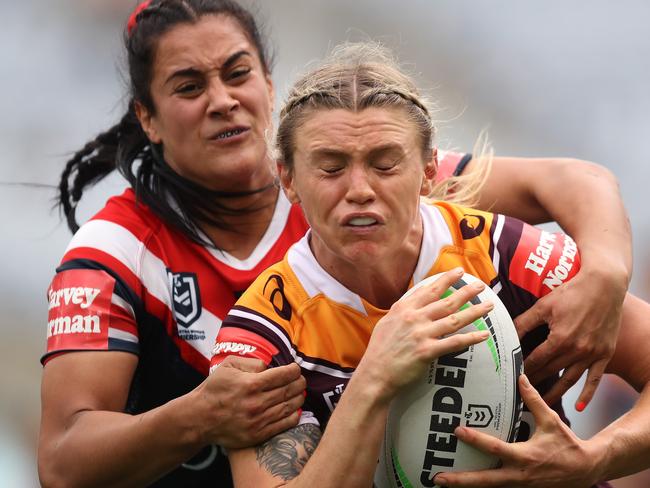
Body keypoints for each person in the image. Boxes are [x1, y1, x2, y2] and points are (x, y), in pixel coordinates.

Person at [38, 1, 632, 487]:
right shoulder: (116, 253)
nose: (222, 99)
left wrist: (604, 273)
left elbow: (576, 181)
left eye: (237, 73)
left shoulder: (380, 180)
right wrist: (198, 415)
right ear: (148, 116)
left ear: (268, 86)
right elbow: (63, 465)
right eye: (189, 85)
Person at [211, 42, 650, 488]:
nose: (360, 189)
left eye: (385, 164)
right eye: (331, 168)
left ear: (427, 170)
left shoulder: (499, 252)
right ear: (288, 179)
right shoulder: (263, 332)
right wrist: (374, 378)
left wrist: (594, 459)